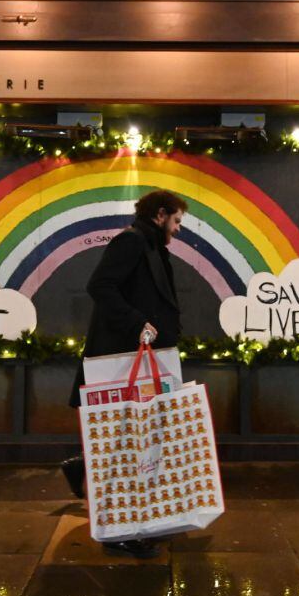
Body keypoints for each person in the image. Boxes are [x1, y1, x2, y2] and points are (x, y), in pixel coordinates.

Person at [61, 189, 186, 559]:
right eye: (177, 220)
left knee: (130, 442)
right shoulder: (131, 243)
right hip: (119, 360)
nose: (178, 229)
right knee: (124, 444)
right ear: (160, 215)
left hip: (137, 361)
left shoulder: (150, 246)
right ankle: (118, 532)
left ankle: (85, 471)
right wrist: (137, 323)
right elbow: (99, 285)